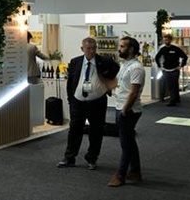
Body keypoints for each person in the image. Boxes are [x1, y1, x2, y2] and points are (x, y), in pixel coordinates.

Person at [57, 37, 120, 170]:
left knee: (96, 131)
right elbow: (71, 82)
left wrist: (108, 84)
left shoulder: (104, 61)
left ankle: (92, 158)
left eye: (93, 48)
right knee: (74, 130)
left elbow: (116, 69)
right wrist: (71, 100)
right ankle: (69, 157)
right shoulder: (75, 62)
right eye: (88, 48)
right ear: (82, 49)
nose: (91, 51)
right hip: (78, 102)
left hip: (97, 102)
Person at [108, 36, 146, 187]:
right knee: (129, 141)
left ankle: (120, 175)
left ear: (131, 49)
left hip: (129, 110)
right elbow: (118, 84)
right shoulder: (125, 65)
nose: (119, 49)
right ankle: (135, 172)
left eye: (122, 46)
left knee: (125, 144)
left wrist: (125, 109)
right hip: (121, 107)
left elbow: (134, 92)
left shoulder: (136, 68)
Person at [154, 33, 188, 106]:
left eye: (167, 40)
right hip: (166, 70)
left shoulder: (176, 49)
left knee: (174, 85)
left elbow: (184, 57)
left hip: (175, 70)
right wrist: (160, 67)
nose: (165, 41)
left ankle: (173, 100)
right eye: (164, 40)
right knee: (169, 85)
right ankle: (174, 98)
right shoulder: (163, 49)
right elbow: (157, 58)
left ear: (170, 40)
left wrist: (181, 65)